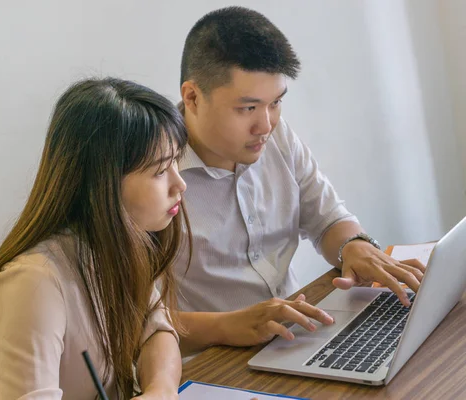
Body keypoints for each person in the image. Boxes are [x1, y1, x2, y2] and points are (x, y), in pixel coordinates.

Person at [172, 6, 426, 355]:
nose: (266, 125)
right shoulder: (151, 169)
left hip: (292, 338)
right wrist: (231, 324)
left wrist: (354, 246)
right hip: (210, 363)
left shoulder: (275, 136)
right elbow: (133, 323)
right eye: (247, 108)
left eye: (275, 103)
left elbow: (327, 219)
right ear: (192, 97)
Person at [0, 78, 189, 399]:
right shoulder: (34, 283)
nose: (180, 184)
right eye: (160, 171)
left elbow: (157, 332)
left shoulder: (120, 245)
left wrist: (160, 390)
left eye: (176, 162)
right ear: (103, 184)